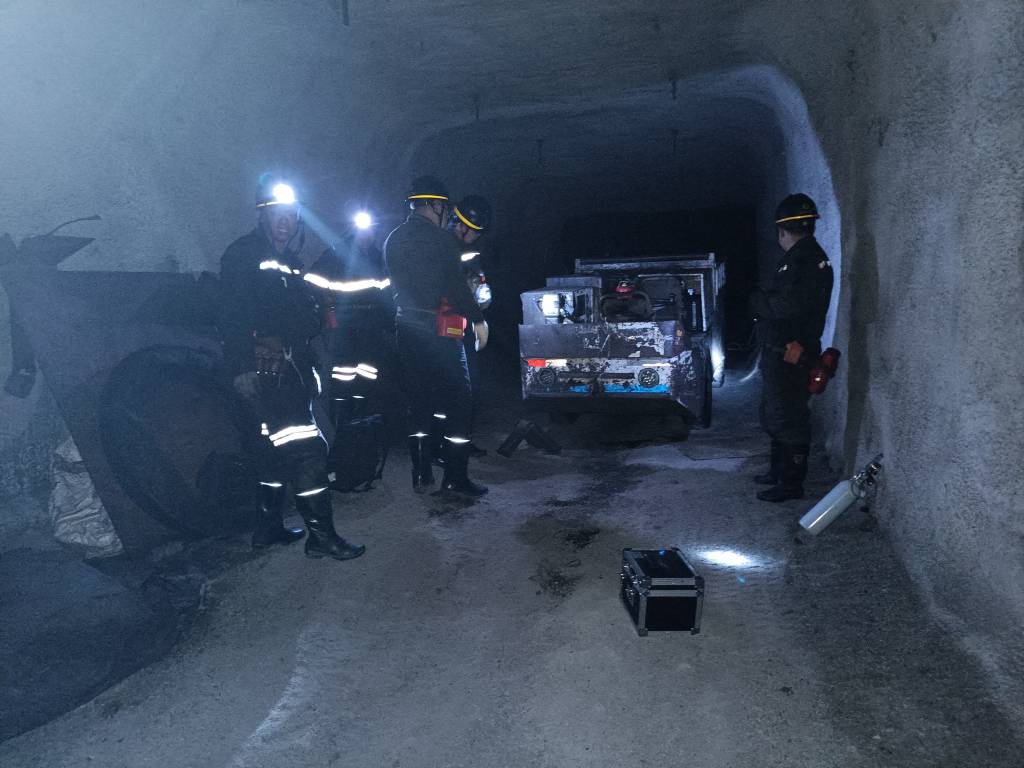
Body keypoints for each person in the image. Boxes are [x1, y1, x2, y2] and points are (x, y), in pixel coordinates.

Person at [219, 174, 365, 559]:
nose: (285, 221)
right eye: (277, 213)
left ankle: (267, 529)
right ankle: (322, 537)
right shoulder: (243, 255)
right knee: (307, 449)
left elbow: (299, 318)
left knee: (270, 449)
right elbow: (231, 317)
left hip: (291, 369)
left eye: (291, 214)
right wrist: (241, 368)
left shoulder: (291, 264)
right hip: (267, 372)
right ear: (262, 215)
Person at [383, 176, 489, 497]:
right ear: (433, 205)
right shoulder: (440, 240)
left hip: (406, 327)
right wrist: (478, 319)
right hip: (437, 330)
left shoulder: (393, 239)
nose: (446, 214)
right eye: (444, 207)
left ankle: (420, 473)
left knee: (419, 400)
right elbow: (455, 287)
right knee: (460, 401)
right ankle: (455, 478)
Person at [750, 193, 834, 502]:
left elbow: (786, 306)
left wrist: (758, 301)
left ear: (782, 230)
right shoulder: (803, 258)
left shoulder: (804, 261)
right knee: (776, 413)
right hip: (784, 349)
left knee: (789, 416)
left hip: (792, 352)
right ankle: (778, 472)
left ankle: (791, 483)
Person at [307, 211, 394, 450]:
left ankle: (359, 427)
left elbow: (386, 292)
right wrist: (327, 305)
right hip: (343, 325)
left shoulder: (377, 257)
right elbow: (312, 281)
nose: (368, 234)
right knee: (342, 377)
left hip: (371, 326)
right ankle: (338, 432)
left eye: (372, 229)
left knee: (367, 375)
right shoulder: (336, 253)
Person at [449, 195, 493, 458]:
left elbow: (473, 281)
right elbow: (455, 290)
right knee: (457, 387)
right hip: (448, 327)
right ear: (460, 225)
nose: (476, 236)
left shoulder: (468, 249)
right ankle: (449, 446)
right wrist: (476, 318)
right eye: (474, 231)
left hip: (465, 325)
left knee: (469, 386)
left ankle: (462, 441)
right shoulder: (444, 248)